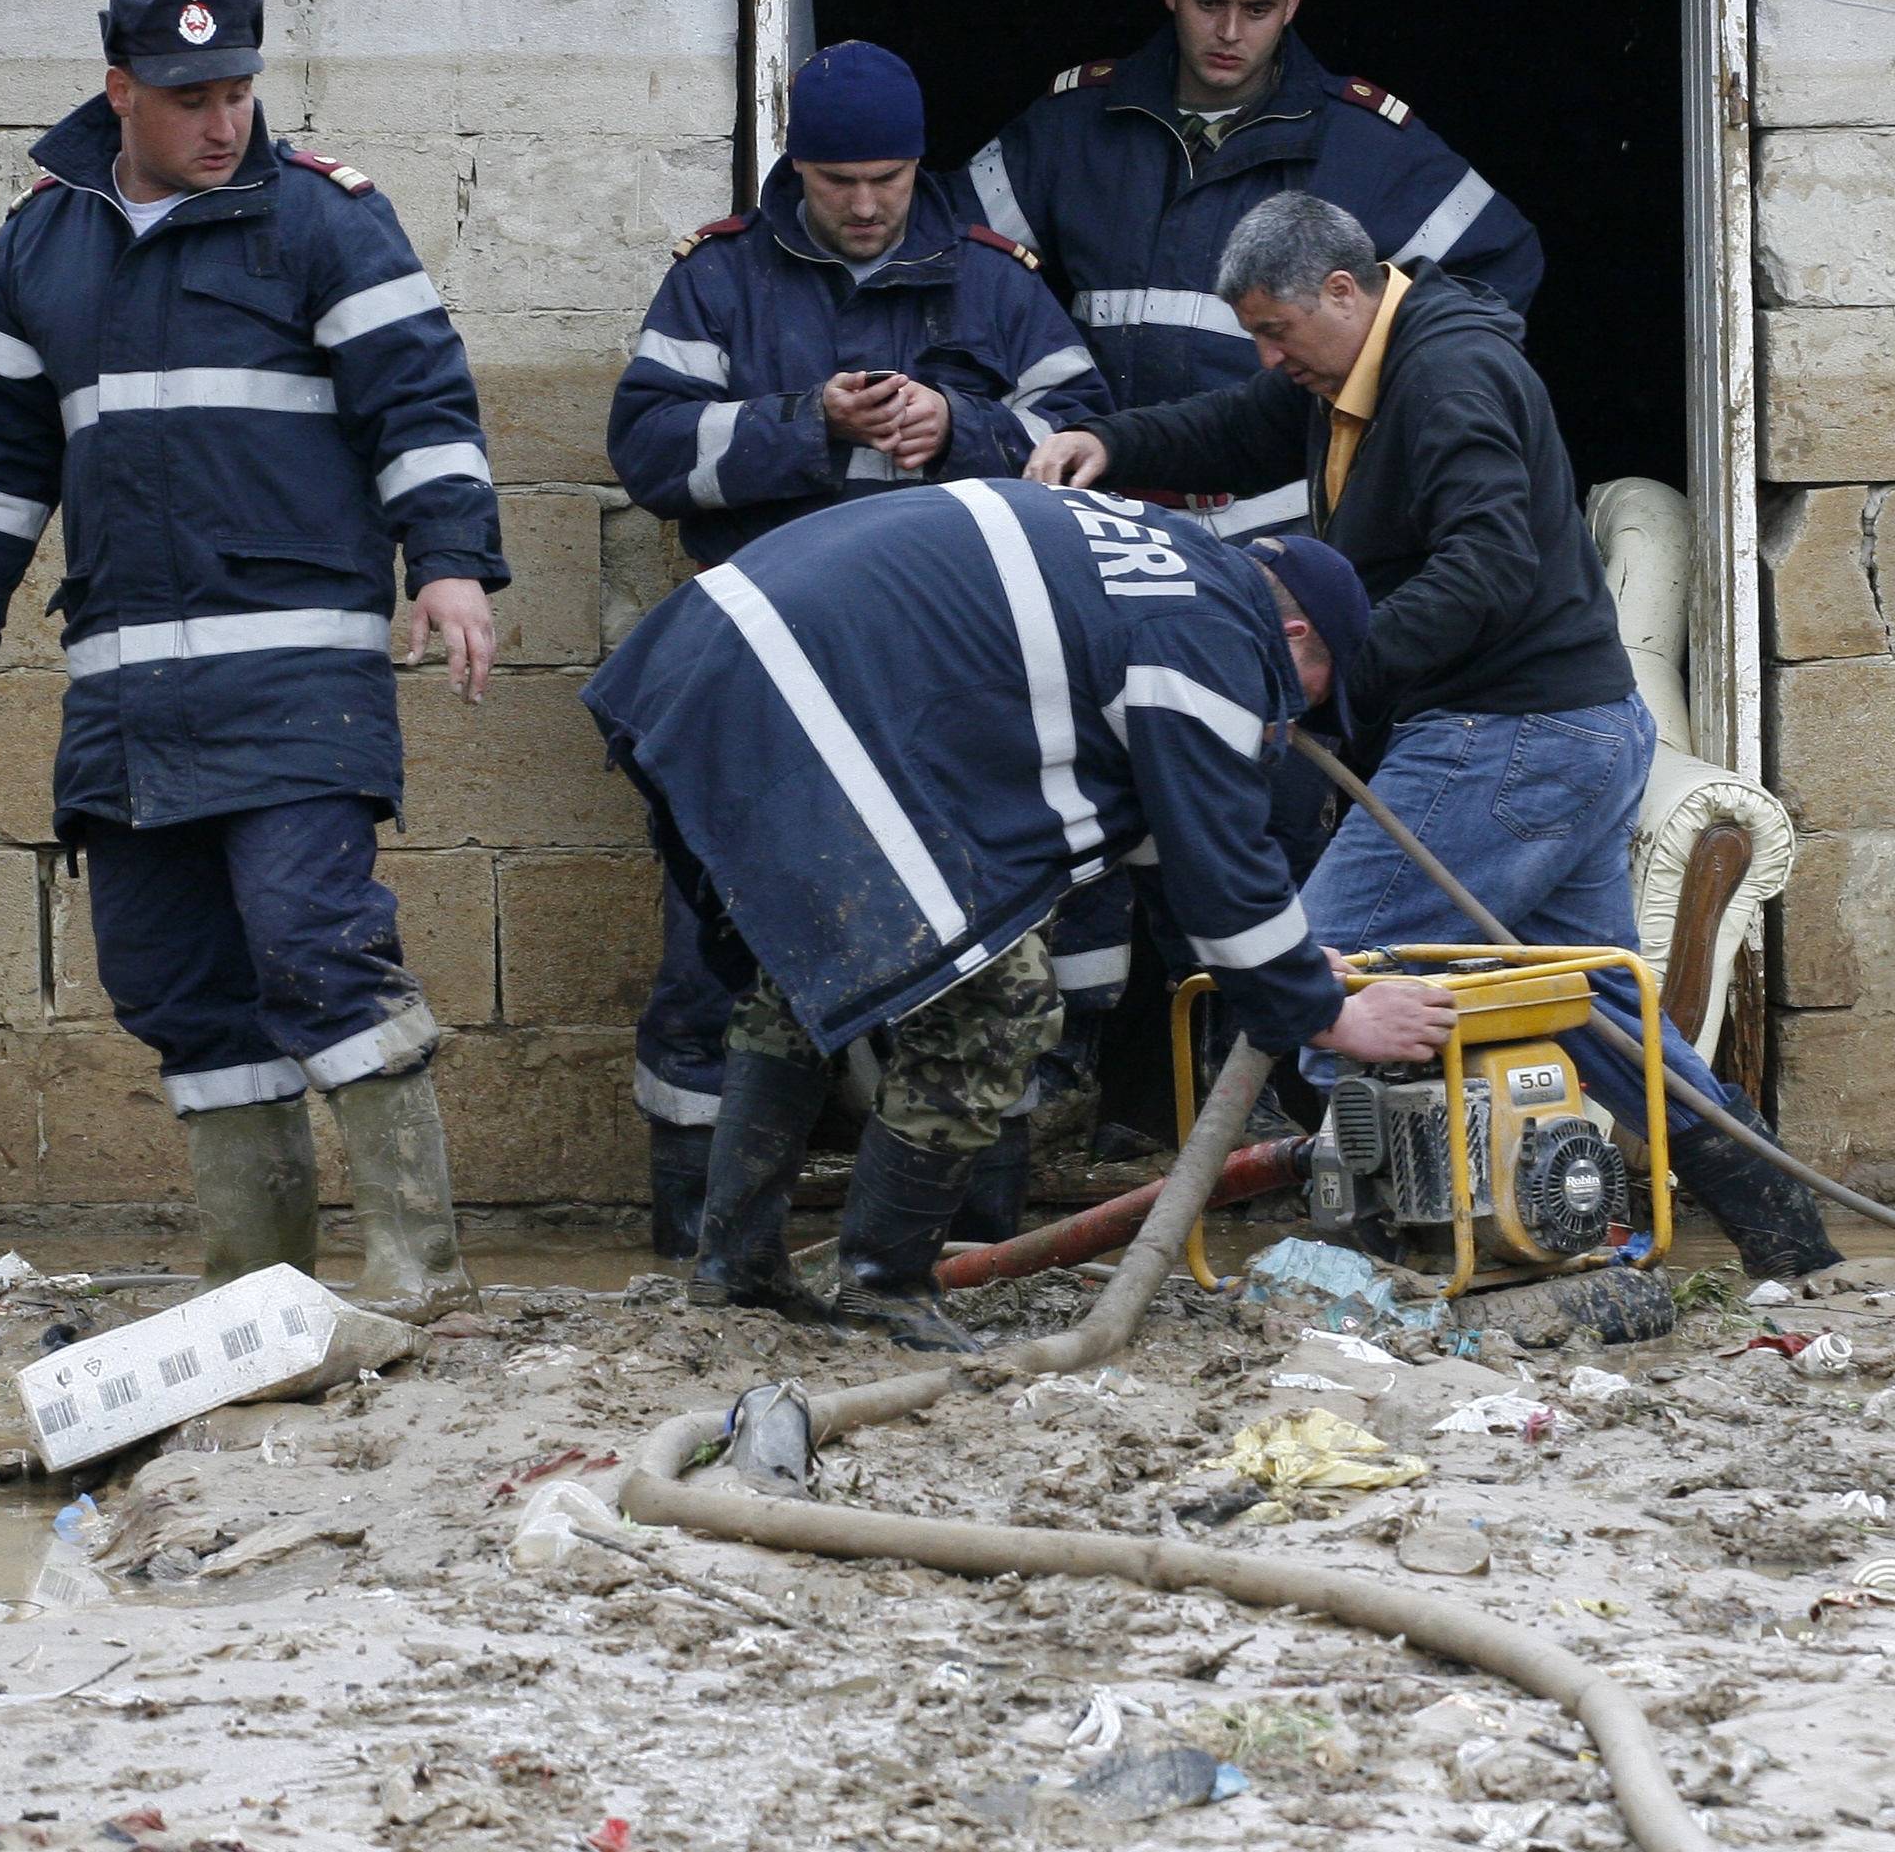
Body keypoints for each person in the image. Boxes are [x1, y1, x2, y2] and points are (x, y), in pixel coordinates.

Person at [1027, 191, 1839, 1280]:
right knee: (1597, 1011)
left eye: (1277, 331)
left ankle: (1375, 1230)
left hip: (1509, 737)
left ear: (1344, 291)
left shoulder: (1448, 378)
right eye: (1256, 338)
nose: (1270, 358)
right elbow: (1236, 424)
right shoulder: (1345, 372)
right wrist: (1105, 442)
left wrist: (1319, 669)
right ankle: (1789, 1232)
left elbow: (1488, 566)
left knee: (1321, 958)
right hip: (1573, 732)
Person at [0, 0, 507, 1316]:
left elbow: (422, 407)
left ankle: (419, 1272)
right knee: (171, 982)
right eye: (187, 97)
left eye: (237, 92)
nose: (222, 123)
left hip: (294, 683)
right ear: (121, 92)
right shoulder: (41, 244)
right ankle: (257, 1292)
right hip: (126, 698)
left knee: (313, 943)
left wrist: (450, 566)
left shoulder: (326, 223)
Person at [581, 478, 1461, 1351]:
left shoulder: (1171, 569)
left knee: (803, 974)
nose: (1294, 716)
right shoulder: (1209, 641)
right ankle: (882, 1288)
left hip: (717, 644)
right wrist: (1327, 1013)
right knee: (994, 1002)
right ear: (1297, 634)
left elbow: (1173, 856)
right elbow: (1222, 861)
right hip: (796, 675)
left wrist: (1294, 965)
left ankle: (736, 1271)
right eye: (1312, 689)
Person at [607, 41, 1109, 1262]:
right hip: (765, 681)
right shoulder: (720, 281)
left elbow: (1092, 431)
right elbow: (647, 448)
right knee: (719, 950)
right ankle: (704, 1252)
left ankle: (964, 1244)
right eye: (840, 181)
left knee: (976, 946)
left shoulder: (994, 283)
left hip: (947, 684)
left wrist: (967, 424)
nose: (869, 203)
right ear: (799, 167)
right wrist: (806, 423)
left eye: (888, 176)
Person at [951, 0, 1542, 540]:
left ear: (1293, 2)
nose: (1230, 32)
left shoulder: (1362, 143)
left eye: (1257, 9)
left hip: (1286, 532)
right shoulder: (1075, 126)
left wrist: (1390, 418)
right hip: (1100, 522)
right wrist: (987, 416)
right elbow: (950, 262)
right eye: (1210, 2)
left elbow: (1496, 271)